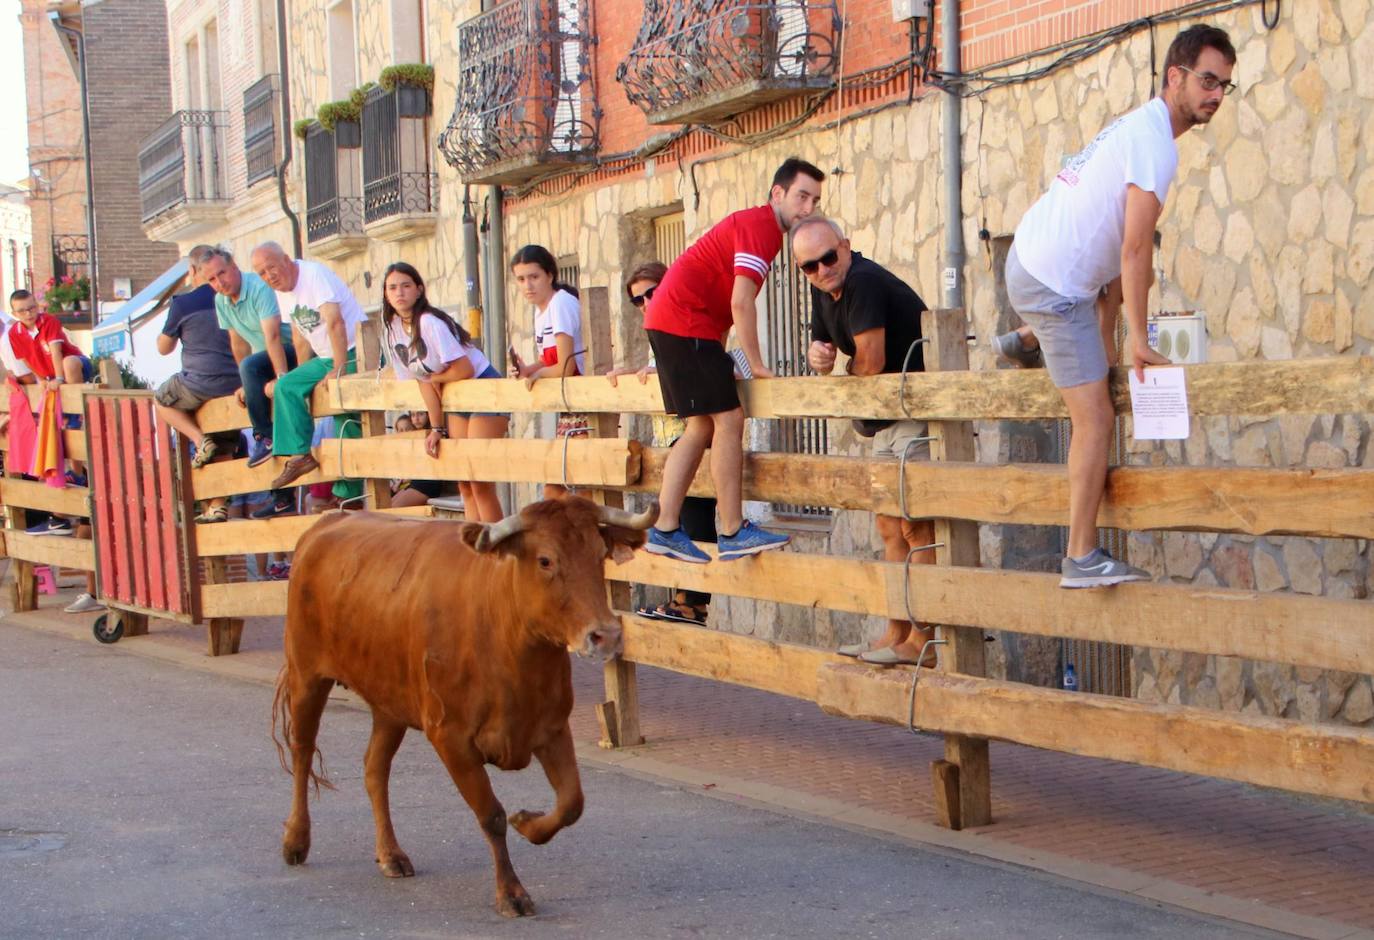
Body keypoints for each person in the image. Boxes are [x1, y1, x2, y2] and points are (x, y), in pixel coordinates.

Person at [993, 24, 1235, 589]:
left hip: (1037, 261)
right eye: (1206, 80)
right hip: (1053, 287)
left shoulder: (1139, 126)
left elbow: (1109, 252)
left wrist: (1109, 336)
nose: (1216, 95)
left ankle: (1025, 340)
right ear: (1174, 76)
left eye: (1225, 85)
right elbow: (1133, 252)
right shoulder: (1154, 147)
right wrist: (1140, 338)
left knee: (1092, 359)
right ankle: (1079, 556)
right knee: (1096, 416)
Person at [642, 157, 823, 563]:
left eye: (814, 200)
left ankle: (667, 526)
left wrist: (721, 356)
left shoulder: (753, 224)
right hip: (685, 324)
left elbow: (722, 301)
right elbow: (741, 302)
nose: (808, 208)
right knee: (730, 419)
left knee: (699, 426)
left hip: (676, 324)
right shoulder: (763, 229)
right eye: (801, 196)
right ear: (777, 193)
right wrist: (756, 364)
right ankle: (732, 529)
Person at [794, 216, 937, 666]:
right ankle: (896, 632)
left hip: (915, 412)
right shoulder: (826, 291)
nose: (821, 270)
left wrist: (840, 374)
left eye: (828, 258)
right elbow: (825, 349)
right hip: (883, 420)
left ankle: (925, 640)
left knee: (918, 528)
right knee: (890, 528)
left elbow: (871, 363)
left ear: (846, 247)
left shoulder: (865, 282)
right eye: (809, 267)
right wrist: (818, 356)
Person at [607, 261, 715, 625]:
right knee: (680, 520)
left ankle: (695, 600)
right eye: (638, 300)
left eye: (652, 292)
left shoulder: (687, 321)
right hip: (673, 442)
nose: (647, 302)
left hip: (698, 441)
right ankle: (684, 597)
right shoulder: (660, 330)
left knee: (697, 519)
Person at [381, 261, 507, 521]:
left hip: (481, 388)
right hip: (454, 398)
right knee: (465, 483)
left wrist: (436, 377)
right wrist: (436, 428)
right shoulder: (393, 331)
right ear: (385, 294)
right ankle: (474, 547)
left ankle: (497, 549)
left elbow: (464, 368)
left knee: (479, 480)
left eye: (406, 285)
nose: (399, 292)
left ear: (419, 290)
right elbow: (422, 380)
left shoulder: (429, 322)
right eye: (392, 287)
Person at [248, 242, 368, 498]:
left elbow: (335, 322)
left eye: (272, 267)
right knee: (286, 386)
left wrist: (339, 367)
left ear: (287, 260)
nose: (269, 276)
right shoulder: (281, 290)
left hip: (355, 350)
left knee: (344, 416)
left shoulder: (314, 275)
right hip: (325, 356)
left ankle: (350, 494)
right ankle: (300, 455)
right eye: (262, 273)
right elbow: (299, 336)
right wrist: (299, 377)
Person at [201, 245, 300, 519]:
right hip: (261, 364)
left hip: (293, 352)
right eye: (211, 279)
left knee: (269, 430)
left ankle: (262, 436)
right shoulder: (222, 301)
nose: (219, 282)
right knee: (277, 426)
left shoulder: (258, 287)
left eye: (222, 273)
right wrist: (246, 382)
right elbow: (238, 342)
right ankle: (282, 498)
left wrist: (282, 379)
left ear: (234, 266)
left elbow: (273, 338)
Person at [152, 246, 244, 524]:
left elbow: (163, 349)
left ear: (193, 271)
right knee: (226, 445)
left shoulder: (183, 303)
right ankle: (217, 506)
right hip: (235, 383)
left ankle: (197, 439)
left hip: (198, 382)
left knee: (160, 399)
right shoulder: (234, 297)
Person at [508, 244, 584, 499]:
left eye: (534, 277)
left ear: (550, 275)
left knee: (577, 483)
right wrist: (528, 369)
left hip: (583, 403)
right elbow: (547, 360)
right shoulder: (541, 311)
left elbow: (566, 366)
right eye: (521, 279)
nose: (528, 285)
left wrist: (538, 376)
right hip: (567, 406)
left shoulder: (561, 303)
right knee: (561, 485)